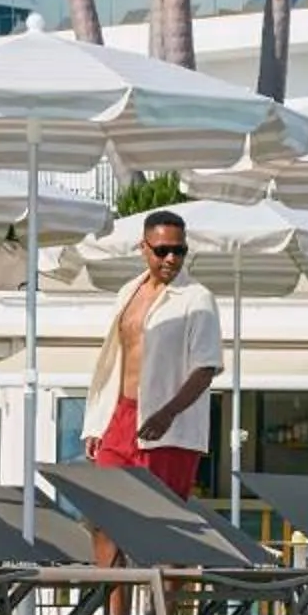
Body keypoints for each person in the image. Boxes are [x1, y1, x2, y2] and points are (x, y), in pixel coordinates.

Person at [84, 207, 224, 500]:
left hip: (168, 428)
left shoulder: (198, 298)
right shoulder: (128, 291)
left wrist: (167, 414)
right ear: (143, 248)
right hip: (120, 417)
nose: (171, 258)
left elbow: (206, 368)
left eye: (179, 250)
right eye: (162, 251)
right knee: (105, 510)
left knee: (158, 516)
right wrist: (98, 423)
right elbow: (114, 363)